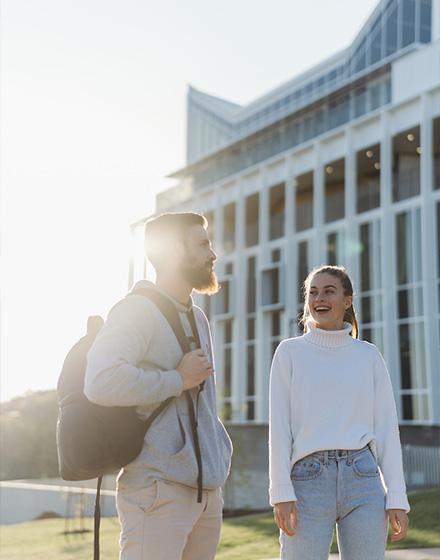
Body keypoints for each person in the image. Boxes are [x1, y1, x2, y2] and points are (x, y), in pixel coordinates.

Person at [84, 212, 233, 560]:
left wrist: (218, 454)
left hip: (207, 492)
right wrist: (176, 379)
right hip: (157, 490)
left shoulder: (197, 317)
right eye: (203, 244)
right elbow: (100, 380)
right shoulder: (136, 310)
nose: (213, 255)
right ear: (173, 251)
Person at [269, 264, 409, 560]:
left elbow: (386, 428)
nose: (319, 298)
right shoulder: (289, 353)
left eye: (329, 292)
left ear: (347, 301)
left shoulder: (368, 355)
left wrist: (396, 496)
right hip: (307, 481)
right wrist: (280, 492)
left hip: (364, 478)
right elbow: (279, 429)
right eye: (313, 292)